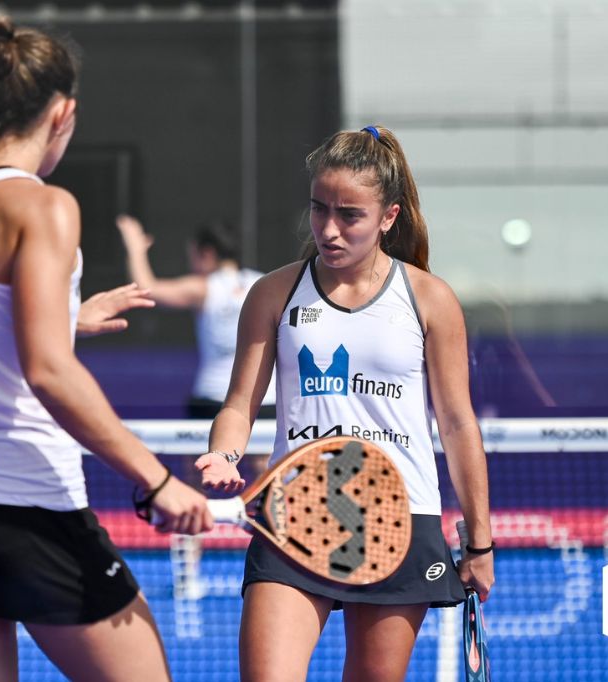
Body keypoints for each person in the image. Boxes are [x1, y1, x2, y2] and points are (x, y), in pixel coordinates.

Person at [0, 15, 211, 682]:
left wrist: (62, 314)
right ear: (64, 113)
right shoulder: (46, 207)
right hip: (26, 508)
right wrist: (155, 478)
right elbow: (48, 372)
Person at [196, 126, 494, 681]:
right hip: (295, 513)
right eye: (318, 209)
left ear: (388, 216)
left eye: (349, 215)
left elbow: (456, 425)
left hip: (401, 519)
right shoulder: (273, 292)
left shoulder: (430, 299)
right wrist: (225, 454)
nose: (329, 229)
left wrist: (480, 542)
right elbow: (238, 405)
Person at [116, 215, 276, 426]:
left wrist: (135, 249)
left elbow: (146, 289)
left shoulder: (203, 287)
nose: (191, 263)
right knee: (266, 460)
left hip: (211, 401)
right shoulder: (264, 282)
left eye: (191, 255)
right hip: (264, 399)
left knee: (203, 459)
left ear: (207, 253)